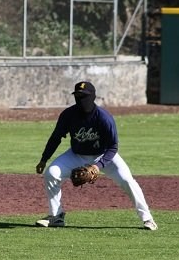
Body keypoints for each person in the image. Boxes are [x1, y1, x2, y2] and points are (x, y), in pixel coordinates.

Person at [35, 81, 158, 230]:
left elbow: (113, 147)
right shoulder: (68, 115)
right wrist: (44, 159)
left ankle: (147, 219)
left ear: (93, 97)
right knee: (52, 173)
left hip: (104, 155)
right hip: (76, 155)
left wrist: (98, 165)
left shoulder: (104, 117)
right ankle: (56, 216)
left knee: (127, 180)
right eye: (78, 96)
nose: (81, 99)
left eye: (84, 96)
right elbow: (56, 138)